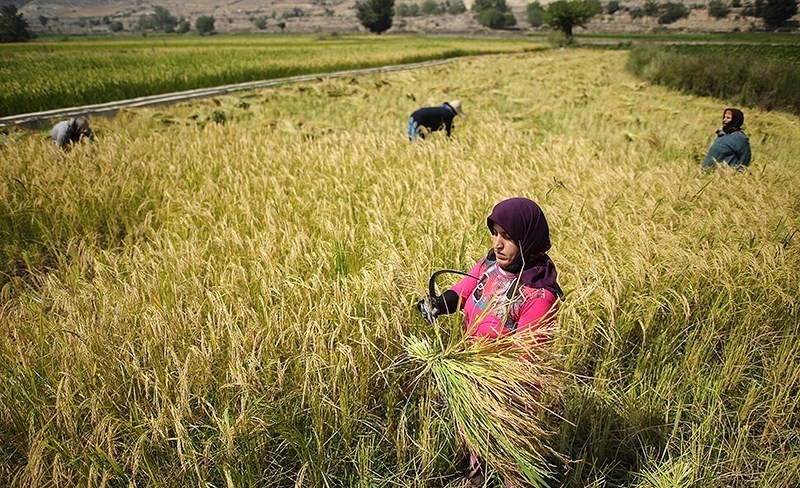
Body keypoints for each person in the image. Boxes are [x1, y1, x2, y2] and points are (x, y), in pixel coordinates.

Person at [417, 196, 562, 486]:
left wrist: (487, 382)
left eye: (507, 237)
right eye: (495, 233)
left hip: (507, 393)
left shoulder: (538, 295)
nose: (498, 243)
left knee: (511, 460)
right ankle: (477, 477)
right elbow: (466, 287)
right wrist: (440, 303)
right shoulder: (491, 264)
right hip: (473, 378)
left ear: (528, 240)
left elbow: (526, 358)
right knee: (475, 443)